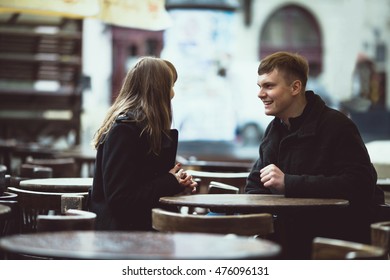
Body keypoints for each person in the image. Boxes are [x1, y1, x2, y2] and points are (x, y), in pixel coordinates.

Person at [245, 51, 384, 259]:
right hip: (289, 238)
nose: (260, 94)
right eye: (260, 86)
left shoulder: (337, 126)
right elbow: (254, 186)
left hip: (336, 244)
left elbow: (360, 184)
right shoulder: (275, 129)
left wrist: (289, 183)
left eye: (269, 86)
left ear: (295, 87)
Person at [89, 57, 197, 231]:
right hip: (124, 240)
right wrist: (170, 180)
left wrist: (177, 183)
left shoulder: (142, 130)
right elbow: (120, 199)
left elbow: (145, 184)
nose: (172, 93)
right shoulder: (124, 131)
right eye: (170, 86)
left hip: (142, 232)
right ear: (157, 89)